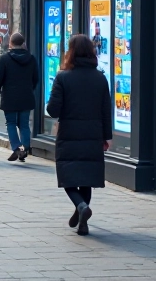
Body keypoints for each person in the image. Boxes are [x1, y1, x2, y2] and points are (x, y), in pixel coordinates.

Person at [46, 34, 112, 236]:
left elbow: (53, 110)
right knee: (86, 178)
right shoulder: (100, 78)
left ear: (70, 52)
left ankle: (81, 207)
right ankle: (82, 218)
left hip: (69, 134)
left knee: (68, 177)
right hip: (93, 135)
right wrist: (106, 136)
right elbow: (105, 110)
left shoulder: (63, 77)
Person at [0, 32, 39, 162]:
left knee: (11, 123)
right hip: (26, 95)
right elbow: (36, 78)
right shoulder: (31, 59)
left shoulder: (5, 59)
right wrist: (30, 88)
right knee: (24, 123)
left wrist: (0, 90)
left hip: (10, 97)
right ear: (23, 43)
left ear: (10, 44)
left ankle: (17, 147)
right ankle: (25, 147)